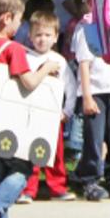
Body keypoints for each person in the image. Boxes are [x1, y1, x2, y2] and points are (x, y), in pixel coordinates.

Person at [0, 0, 65, 218]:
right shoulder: (12, 49)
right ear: (6, 19)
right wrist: (46, 68)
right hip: (11, 124)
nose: (19, 25)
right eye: (18, 19)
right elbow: (30, 83)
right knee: (21, 170)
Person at [71, 11, 110, 201]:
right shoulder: (86, 26)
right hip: (96, 91)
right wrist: (86, 96)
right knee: (94, 138)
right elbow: (83, 63)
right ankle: (89, 178)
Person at [19, 10, 74, 202]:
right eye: (38, 35)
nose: (42, 39)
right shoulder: (25, 58)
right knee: (29, 152)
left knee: (56, 154)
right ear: (30, 36)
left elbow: (71, 87)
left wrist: (67, 111)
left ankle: (58, 187)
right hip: (29, 116)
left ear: (56, 37)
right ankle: (28, 189)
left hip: (53, 117)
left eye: (47, 35)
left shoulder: (59, 61)